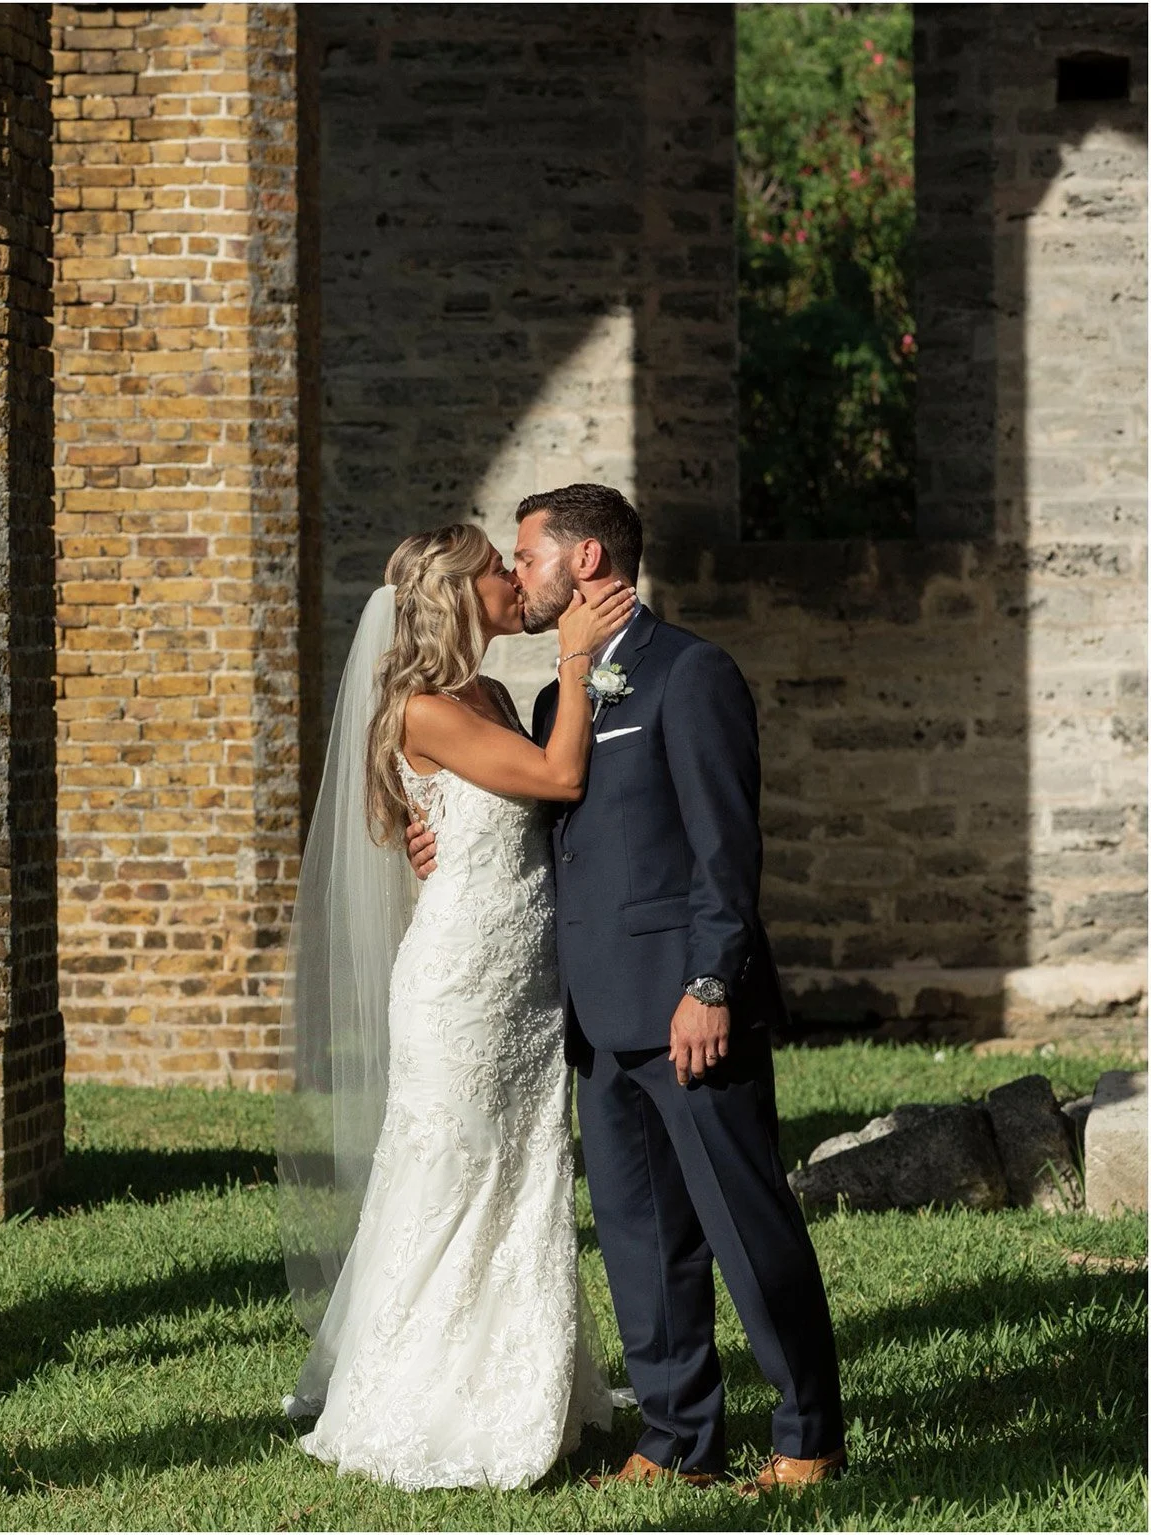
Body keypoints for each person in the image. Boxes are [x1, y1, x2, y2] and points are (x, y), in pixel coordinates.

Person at [407, 485, 846, 1494]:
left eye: (526, 556)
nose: (516, 575)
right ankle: (677, 1436)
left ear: (587, 560)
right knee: (643, 1241)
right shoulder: (552, 701)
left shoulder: (689, 673)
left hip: (686, 1007)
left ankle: (809, 1436)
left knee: (745, 1224)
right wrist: (432, 840)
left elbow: (725, 852)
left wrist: (710, 981)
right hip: (592, 1019)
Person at [278, 521, 633, 1489]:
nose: (516, 581)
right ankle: (413, 1398)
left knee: (521, 1172)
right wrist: (576, 654)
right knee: (449, 1176)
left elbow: (509, 819)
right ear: (456, 596)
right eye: (497, 571)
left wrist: (429, 832)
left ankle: (521, 1381)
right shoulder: (423, 708)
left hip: (525, 982)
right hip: (460, 986)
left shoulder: (489, 695)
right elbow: (559, 775)